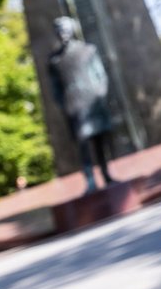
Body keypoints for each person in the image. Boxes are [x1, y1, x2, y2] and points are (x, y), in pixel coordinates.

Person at [48, 17, 116, 193]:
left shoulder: (88, 50)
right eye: (59, 30)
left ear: (72, 30)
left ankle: (106, 174)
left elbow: (101, 75)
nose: (62, 33)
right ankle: (90, 180)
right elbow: (55, 88)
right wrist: (63, 104)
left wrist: (100, 94)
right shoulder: (54, 60)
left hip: (92, 102)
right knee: (83, 144)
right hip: (74, 106)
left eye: (65, 29)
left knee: (100, 141)